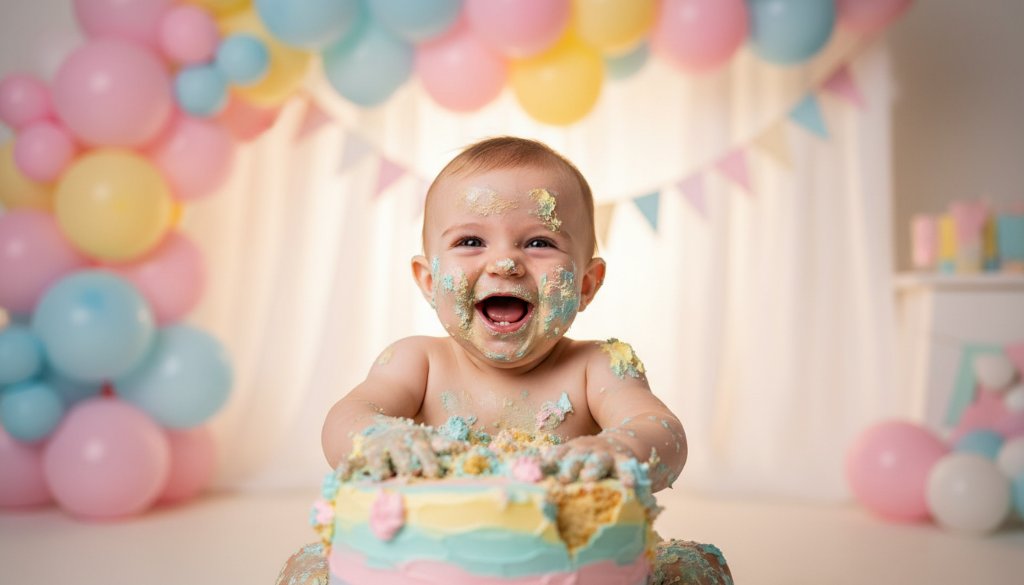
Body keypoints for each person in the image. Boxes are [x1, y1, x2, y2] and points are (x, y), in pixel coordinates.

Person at [278, 137, 732, 585]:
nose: (506, 263)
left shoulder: (598, 367)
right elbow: (347, 418)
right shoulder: (418, 361)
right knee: (309, 569)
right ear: (428, 279)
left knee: (697, 568)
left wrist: (618, 451)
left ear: (587, 284)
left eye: (538, 243)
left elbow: (662, 432)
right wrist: (379, 438)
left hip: (571, 567)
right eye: (472, 240)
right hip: (427, 571)